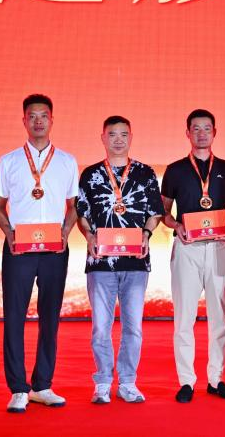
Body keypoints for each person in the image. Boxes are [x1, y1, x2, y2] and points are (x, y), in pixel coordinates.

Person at [0, 94, 79, 412]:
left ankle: (42, 384)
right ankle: (18, 387)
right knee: (14, 316)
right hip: (19, 249)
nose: (38, 121)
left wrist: (66, 232)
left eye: (44, 116)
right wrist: (9, 234)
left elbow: (74, 206)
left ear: (52, 120)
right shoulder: (9, 161)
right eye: (32, 116)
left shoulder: (67, 161)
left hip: (55, 249)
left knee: (50, 316)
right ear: (24, 121)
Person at [76, 116, 164, 404]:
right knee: (101, 327)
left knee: (133, 327)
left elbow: (155, 212)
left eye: (123, 134)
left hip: (136, 262)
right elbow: (81, 213)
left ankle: (128, 382)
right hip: (100, 262)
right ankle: (102, 382)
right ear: (102, 137)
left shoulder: (145, 173)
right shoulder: (90, 174)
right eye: (112, 134)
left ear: (131, 137)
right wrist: (89, 236)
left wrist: (146, 235)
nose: (118, 139)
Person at [161, 109, 225, 403]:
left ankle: (216, 379)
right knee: (184, 317)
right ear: (188, 133)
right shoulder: (175, 170)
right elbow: (163, 211)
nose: (202, 133)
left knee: (219, 317)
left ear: (214, 132)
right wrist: (176, 226)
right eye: (196, 128)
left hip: (219, 248)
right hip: (188, 249)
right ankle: (186, 381)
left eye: (207, 128)